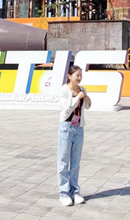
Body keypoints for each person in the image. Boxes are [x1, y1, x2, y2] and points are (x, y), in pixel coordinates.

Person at [57, 65, 91, 206]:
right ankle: (64, 193)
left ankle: (75, 191)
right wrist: (77, 98)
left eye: (81, 75)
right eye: (77, 75)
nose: (79, 77)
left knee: (75, 163)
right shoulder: (64, 90)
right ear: (69, 76)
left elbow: (87, 106)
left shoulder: (82, 90)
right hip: (66, 127)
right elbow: (66, 109)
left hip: (79, 127)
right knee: (63, 162)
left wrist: (85, 98)